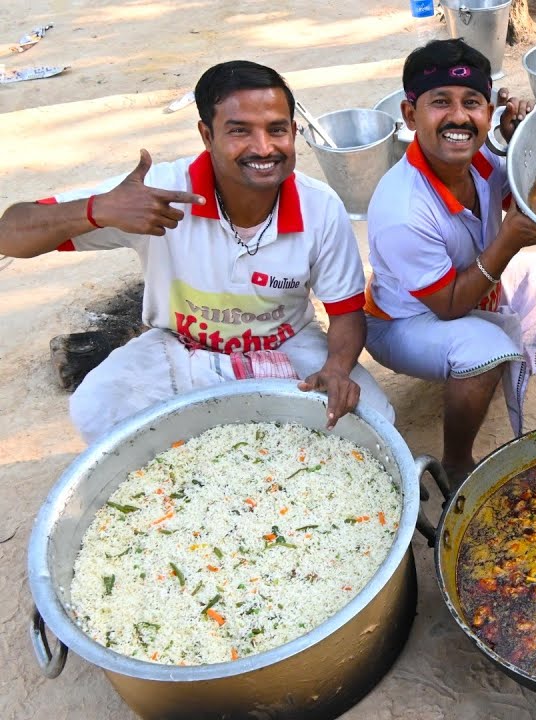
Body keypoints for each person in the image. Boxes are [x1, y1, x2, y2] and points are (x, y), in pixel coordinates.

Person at [0, 60, 394, 444]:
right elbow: (10, 232)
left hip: (285, 343)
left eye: (277, 130)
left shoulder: (320, 206)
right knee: (96, 407)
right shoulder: (158, 193)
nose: (263, 148)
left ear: (293, 131)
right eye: (239, 131)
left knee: (377, 419)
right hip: (180, 345)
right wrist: (97, 209)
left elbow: (344, 313)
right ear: (207, 135)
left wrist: (338, 368)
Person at [364, 39, 536, 484]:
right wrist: (509, 240)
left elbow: (522, 197)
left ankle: (492, 365)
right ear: (409, 114)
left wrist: (522, 143)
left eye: (472, 103)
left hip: (469, 296)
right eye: (441, 102)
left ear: (488, 113)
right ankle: (456, 461)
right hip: (404, 324)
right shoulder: (403, 208)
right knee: (484, 349)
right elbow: (449, 305)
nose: (458, 117)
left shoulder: (478, 161)